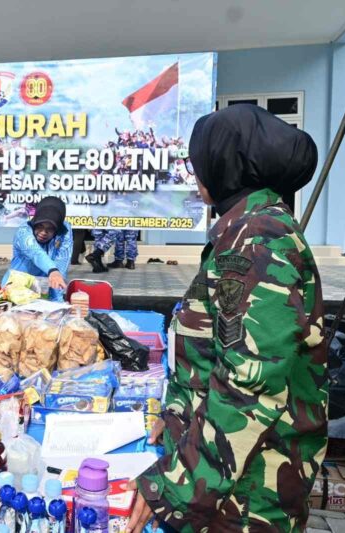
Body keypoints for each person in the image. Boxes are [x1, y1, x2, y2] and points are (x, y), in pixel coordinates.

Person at [126, 105, 327, 533]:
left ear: (223, 163)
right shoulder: (245, 229)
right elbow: (218, 348)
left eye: (198, 161)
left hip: (248, 495)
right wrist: (177, 413)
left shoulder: (258, 239)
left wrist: (173, 487)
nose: (194, 172)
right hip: (230, 480)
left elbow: (248, 388)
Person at [2, 196, 72, 302]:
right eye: (40, 226)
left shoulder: (64, 231)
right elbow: (36, 253)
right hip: (15, 290)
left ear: (57, 229)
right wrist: (53, 270)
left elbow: (62, 262)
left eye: (50, 228)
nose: (43, 232)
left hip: (42, 291)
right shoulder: (23, 232)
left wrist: (57, 302)